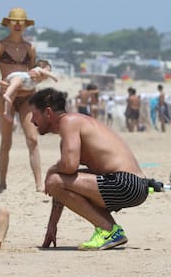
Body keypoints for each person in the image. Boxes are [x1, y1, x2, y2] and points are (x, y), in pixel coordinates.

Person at [29, 88, 150, 251]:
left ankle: (108, 230)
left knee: (54, 179)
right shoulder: (73, 125)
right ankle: (111, 231)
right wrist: (52, 225)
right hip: (136, 185)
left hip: (126, 183)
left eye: (34, 114)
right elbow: (64, 183)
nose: (31, 121)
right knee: (57, 180)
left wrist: (51, 170)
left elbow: (68, 167)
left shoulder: (69, 122)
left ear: (48, 112)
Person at [0, 7, 43, 193]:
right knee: (6, 142)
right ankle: (2, 184)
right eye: (14, 21)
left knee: (32, 139)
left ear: (26, 25)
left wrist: (38, 77)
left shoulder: (30, 48)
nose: (17, 24)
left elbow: (33, 73)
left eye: (21, 21)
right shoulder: (0, 46)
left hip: (27, 97)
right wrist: (4, 84)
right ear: (8, 24)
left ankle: (39, 184)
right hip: (6, 97)